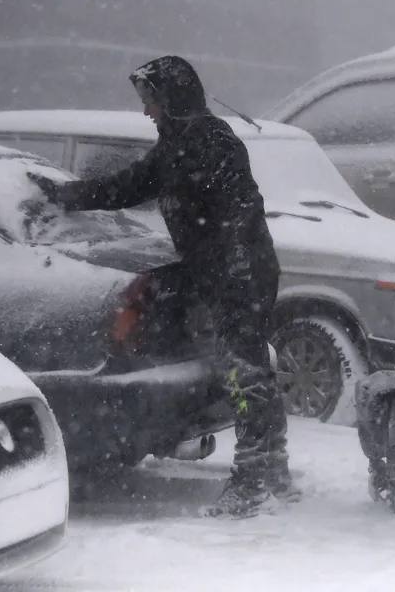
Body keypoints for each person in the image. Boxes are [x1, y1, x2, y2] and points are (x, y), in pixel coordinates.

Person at [28, 55, 295, 518]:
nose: (146, 111)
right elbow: (130, 186)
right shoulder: (176, 145)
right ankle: (272, 471)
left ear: (172, 99)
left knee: (243, 372)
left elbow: (239, 212)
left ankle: (253, 482)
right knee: (249, 370)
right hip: (224, 271)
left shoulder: (212, 141)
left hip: (241, 272)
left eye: (150, 101)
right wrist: (70, 194)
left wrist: (229, 271)